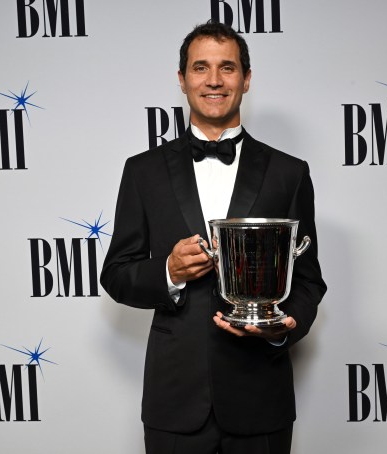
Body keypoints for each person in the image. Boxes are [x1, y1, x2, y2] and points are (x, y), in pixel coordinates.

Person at [101, 21, 327, 454]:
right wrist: (168, 271)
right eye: (200, 68)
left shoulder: (289, 173)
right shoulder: (142, 171)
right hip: (175, 399)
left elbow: (309, 280)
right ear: (182, 80)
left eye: (228, 68)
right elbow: (116, 274)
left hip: (260, 395)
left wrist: (282, 328)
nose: (214, 80)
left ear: (245, 79)